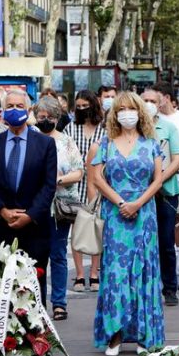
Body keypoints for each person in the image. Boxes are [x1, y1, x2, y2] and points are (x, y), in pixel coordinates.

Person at [88, 91, 164, 356]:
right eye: (121, 109)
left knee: (143, 271)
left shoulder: (151, 143)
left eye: (132, 108)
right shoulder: (106, 143)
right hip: (115, 215)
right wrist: (121, 203)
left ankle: (144, 334)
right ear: (114, 114)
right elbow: (97, 178)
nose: (127, 113)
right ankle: (115, 334)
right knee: (116, 273)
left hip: (144, 214)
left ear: (140, 112)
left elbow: (158, 179)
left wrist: (138, 203)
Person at [0, 89, 57, 301]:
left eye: (19, 106)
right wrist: (2, 211)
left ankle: (35, 331)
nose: (15, 110)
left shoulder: (45, 144)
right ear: (3, 112)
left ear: (29, 110)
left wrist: (29, 215)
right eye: (10, 106)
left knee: (32, 286)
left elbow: (49, 186)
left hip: (34, 228)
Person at [34, 96, 84, 321]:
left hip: (60, 207)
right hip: (35, 207)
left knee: (58, 254)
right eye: (41, 117)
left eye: (50, 117)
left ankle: (59, 303)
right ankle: (37, 301)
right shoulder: (31, 139)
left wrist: (58, 180)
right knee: (36, 256)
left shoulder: (66, 141)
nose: (45, 120)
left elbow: (79, 172)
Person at [141, 89, 179, 306]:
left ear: (160, 103)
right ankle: (147, 288)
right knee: (144, 242)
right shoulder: (134, 128)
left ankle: (169, 288)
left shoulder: (168, 127)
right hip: (139, 193)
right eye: (145, 100)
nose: (148, 104)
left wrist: (159, 180)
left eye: (152, 101)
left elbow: (178, 158)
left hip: (166, 192)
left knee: (166, 241)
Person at [152, 82, 179, 290]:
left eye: (154, 100)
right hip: (148, 188)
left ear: (166, 98)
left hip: (178, 180)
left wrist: (167, 173)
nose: (151, 104)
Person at [63, 90, 106, 293]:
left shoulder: (104, 129)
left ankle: (94, 272)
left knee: (97, 228)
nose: (82, 110)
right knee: (77, 228)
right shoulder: (71, 128)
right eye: (78, 106)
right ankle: (80, 274)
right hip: (75, 183)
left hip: (100, 182)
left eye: (85, 106)